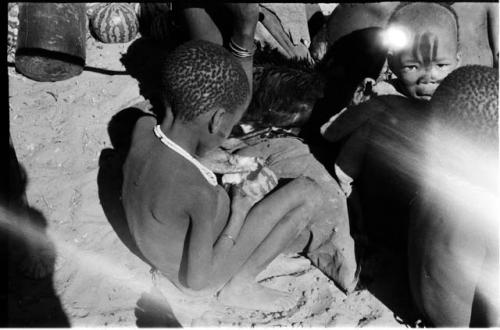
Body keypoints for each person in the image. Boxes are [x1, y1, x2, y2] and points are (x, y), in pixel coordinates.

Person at [122, 40, 323, 312]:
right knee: (307, 193)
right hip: (199, 276)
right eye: (231, 125)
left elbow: (179, 154)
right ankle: (241, 283)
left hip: (162, 249)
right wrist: (240, 211)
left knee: (236, 194)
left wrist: (232, 164)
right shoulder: (197, 192)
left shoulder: (142, 128)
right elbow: (196, 280)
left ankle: (254, 254)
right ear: (218, 121)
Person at [320, 2, 462, 244]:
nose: (428, 78)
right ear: (393, 63)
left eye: (440, 65)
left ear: (458, 59)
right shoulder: (386, 98)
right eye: (412, 67)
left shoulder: (460, 96)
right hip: (387, 193)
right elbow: (331, 132)